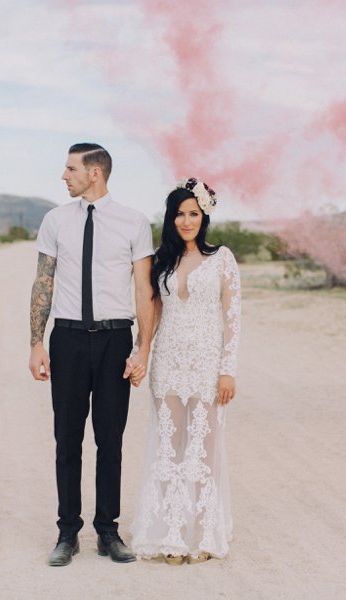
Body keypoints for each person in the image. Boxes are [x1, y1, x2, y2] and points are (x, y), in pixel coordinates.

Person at [28, 143, 154, 567]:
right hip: (67, 340)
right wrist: (36, 342)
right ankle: (67, 532)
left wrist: (142, 349)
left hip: (114, 341)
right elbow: (43, 281)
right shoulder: (55, 220)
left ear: (95, 173)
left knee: (110, 439)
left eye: (70, 168)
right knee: (67, 438)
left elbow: (143, 290)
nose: (64, 176)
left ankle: (108, 531)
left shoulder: (134, 223)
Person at [129, 178, 241, 565]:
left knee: (202, 449)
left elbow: (232, 317)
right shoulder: (162, 259)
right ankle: (171, 534)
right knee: (168, 448)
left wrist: (227, 371)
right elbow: (152, 313)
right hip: (168, 363)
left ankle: (205, 534)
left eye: (193, 213)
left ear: (204, 216)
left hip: (208, 364)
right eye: (179, 214)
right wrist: (140, 352)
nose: (186, 220)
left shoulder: (222, 258)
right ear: (170, 218)